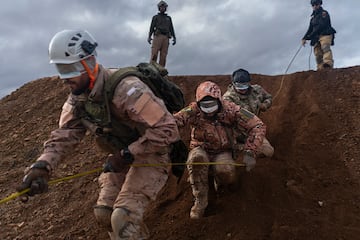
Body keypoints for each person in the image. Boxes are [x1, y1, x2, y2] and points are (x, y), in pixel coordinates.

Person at [16, 29, 180, 240]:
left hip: (152, 152)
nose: (64, 77)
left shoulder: (127, 90)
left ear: (89, 62)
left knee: (122, 219)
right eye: (60, 69)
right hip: (123, 155)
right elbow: (65, 134)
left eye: (70, 68)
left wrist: (128, 154)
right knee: (104, 214)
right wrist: (42, 166)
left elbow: (168, 128)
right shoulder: (78, 98)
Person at [173, 81, 266, 219]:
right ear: (198, 103)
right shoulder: (192, 109)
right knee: (196, 161)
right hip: (201, 147)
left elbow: (257, 125)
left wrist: (250, 151)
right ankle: (200, 200)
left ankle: (218, 181)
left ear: (219, 100)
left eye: (212, 105)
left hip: (223, 150)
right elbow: (176, 120)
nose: (209, 109)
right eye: (205, 105)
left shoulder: (231, 109)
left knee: (226, 173)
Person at [223, 68, 274, 158]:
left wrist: (265, 105)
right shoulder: (228, 98)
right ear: (233, 84)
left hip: (254, 131)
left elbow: (268, 97)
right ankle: (242, 149)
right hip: (236, 135)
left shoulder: (257, 90)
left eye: (245, 85)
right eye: (239, 86)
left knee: (268, 151)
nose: (242, 89)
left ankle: (250, 152)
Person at [301, 0, 336, 70]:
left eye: (316, 4)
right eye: (313, 5)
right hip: (316, 37)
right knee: (317, 53)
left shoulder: (324, 13)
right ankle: (320, 67)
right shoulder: (312, 19)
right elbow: (310, 29)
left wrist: (310, 36)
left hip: (325, 34)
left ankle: (328, 64)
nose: (315, 6)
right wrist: (304, 38)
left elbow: (321, 25)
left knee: (325, 47)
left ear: (320, 4)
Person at [147, 0, 176, 67]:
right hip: (158, 36)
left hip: (166, 37)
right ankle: (151, 69)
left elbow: (171, 28)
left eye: (164, 7)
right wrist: (149, 36)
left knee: (163, 56)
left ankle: (161, 72)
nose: (163, 8)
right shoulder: (155, 17)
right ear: (159, 8)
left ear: (166, 8)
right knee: (154, 54)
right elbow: (151, 27)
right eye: (161, 7)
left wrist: (174, 37)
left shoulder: (168, 18)